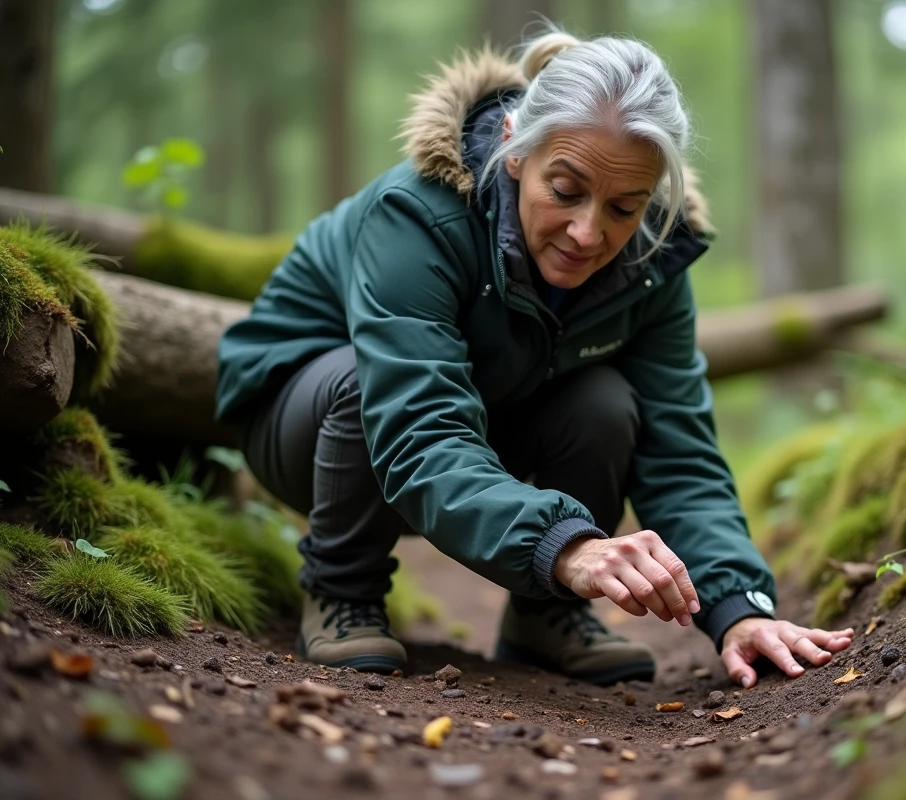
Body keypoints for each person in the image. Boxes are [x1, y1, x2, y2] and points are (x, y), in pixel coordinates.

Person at [215, 29, 853, 687]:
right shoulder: (416, 215)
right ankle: (342, 590)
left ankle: (546, 616)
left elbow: (678, 445)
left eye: (624, 207)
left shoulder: (654, 262)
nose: (588, 232)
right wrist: (564, 544)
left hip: (486, 412)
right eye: (566, 189)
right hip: (307, 423)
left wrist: (738, 608)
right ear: (517, 149)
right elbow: (417, 424)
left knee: (607, 402)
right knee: (358, 378)